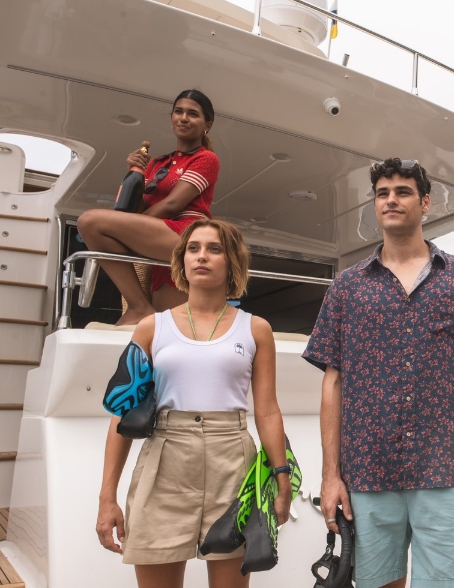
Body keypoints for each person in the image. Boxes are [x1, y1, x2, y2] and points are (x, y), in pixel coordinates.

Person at [303, 158, 454, 588]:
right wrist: (330, 474)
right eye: (382, 193)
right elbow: (333, 382)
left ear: (426, 202)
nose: (391, 200)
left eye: (403, 192)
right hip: (367, 471)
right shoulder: (347, 287)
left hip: (448, 468)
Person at [95, 219, 291, 588]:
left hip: (232, 464)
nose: (202, 256)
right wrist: (108, 498)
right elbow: (123, 412)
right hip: (164, 461)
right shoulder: (151, 327)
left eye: (214, 249)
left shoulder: (256, 329)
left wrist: (282, 479)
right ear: (181, 261)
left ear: (232, 263)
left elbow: (267, 410)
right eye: (193, 248)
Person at [79, 89, 220, 326]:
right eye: (178, 111)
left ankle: (138, 307)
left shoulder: (206, 158)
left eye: (193, 114)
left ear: (207, 125)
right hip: (160, 238)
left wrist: (127, 229)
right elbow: (136, 208)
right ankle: (140, 307)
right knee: (162, 329)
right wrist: (135, 172)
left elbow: (172, 205)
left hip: (186, 235)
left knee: (90, 221)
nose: (184, 118)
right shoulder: (158, 163)